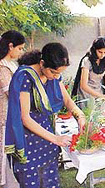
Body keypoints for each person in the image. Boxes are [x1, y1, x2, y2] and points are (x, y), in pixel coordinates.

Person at [5, 43, 85, 188]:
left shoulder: (53, 77)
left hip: (47, 140)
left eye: (59, 73)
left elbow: (67, 99)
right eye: (54, 72)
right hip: (28, 141)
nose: (56, 77)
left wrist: (80, 116)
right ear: (42, 63)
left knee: (50, 182)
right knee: (31, 182)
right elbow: (25, 118)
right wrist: (56, 138)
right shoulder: (25, 77)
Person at [0, 30, 25, 188]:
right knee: (3, 154)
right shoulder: (2, 67)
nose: (21, 51)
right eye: (20, 48)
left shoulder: (13, 64)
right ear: (10, 46)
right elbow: (12, 93)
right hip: (4, 115)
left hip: (13, 114)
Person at [71, 36, 105, 108]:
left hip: (99, 92)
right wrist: (102, 96)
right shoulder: (87, 60)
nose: (102, 55)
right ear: (94, 50)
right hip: (85, 94)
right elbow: (83, 85)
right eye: (100, 52)